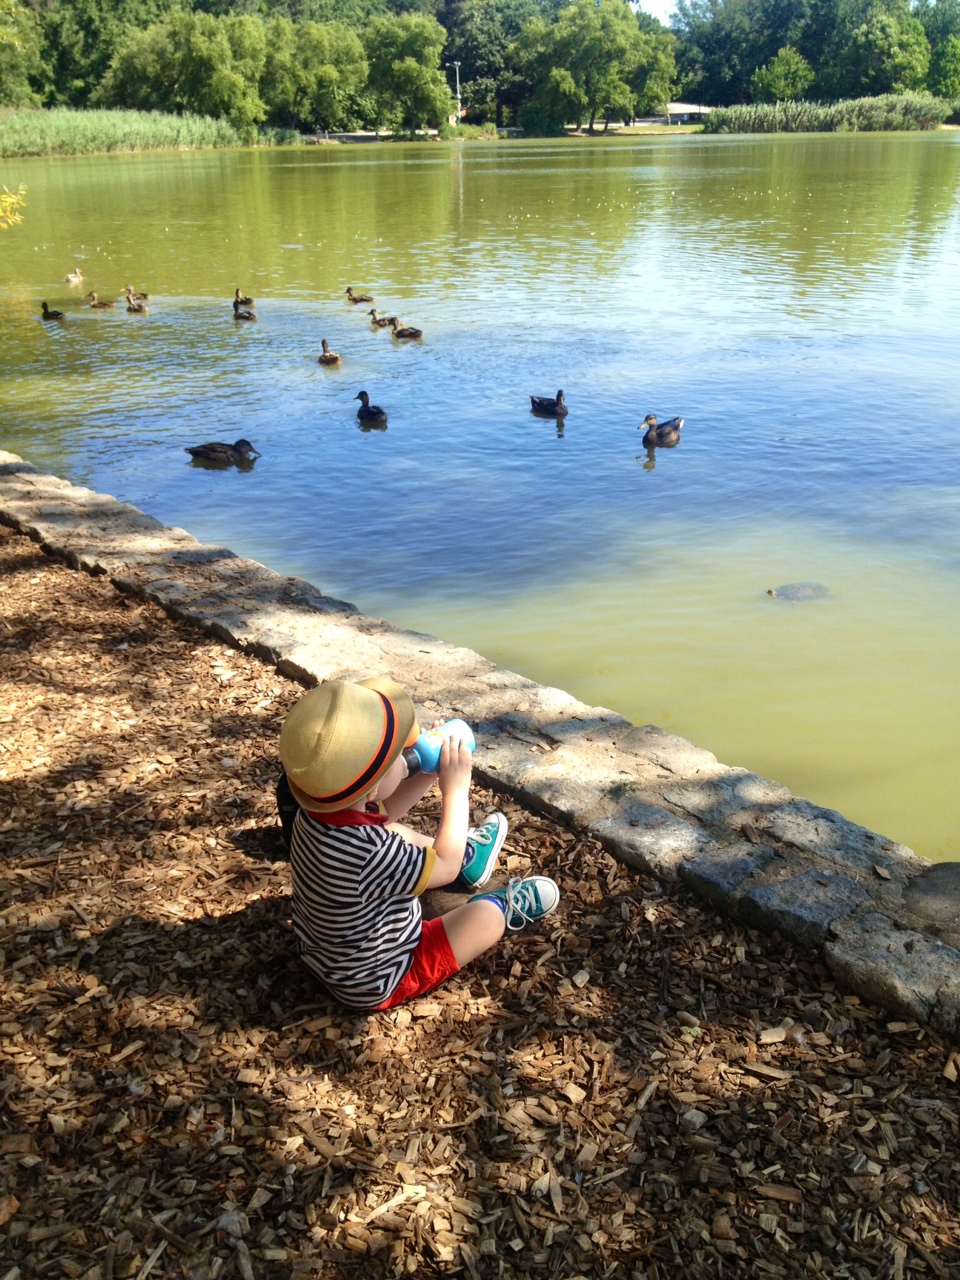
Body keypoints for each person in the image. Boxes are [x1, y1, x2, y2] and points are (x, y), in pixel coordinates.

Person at [279, 676, 560, 1011]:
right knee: (486, 920)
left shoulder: (317, 813)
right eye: (399, 758)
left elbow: (384, 811)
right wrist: (455, 791)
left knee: (394, 830)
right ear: (371, 789)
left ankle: (471, 859)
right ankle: (503, 905)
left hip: (327, 957)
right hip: (382, 977)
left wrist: (427, 771)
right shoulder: (371, 851)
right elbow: (445, 866)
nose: (407, 758)